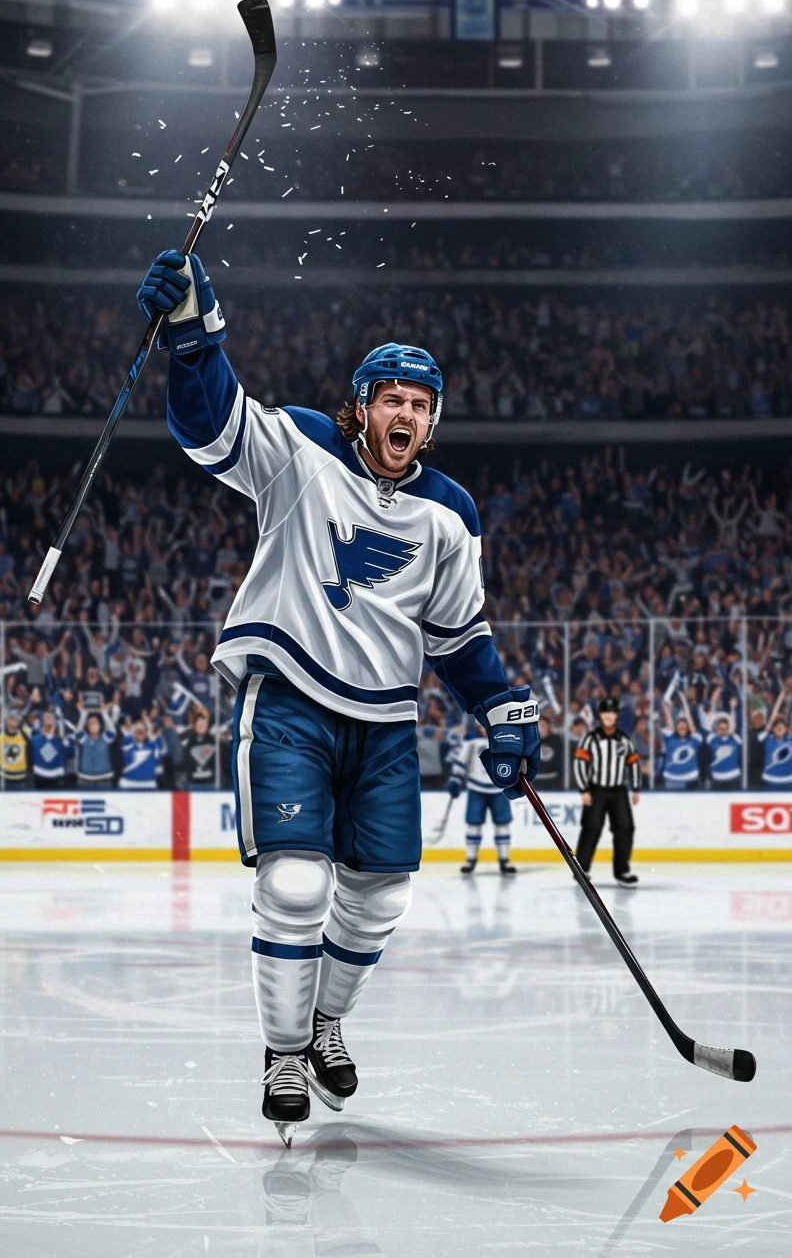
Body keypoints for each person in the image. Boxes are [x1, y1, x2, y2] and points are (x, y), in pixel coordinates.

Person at [137, 248, 540, 1145]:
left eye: (422, 404)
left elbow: (458, 636)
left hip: (388, 722)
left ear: (432, 424)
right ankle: (283, 1052)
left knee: (383, 895)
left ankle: (324, 1024)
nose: (407, 413)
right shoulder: (305, 450)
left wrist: (501, 708)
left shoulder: (451, 513)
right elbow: (214, 431)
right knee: (291, 882)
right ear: (361, 406)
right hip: (291, 701)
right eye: (392, 397)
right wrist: (194, 336)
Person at [573, 696, 641, 887]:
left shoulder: (624, 740)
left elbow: (633, 763)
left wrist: (635, 788)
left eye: (612, 713)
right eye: (605, 713)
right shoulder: (590, 739)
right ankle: (581, 871)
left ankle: (622, 872)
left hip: (619, 791)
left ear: (617, 715)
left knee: (625, 829)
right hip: (597, 790)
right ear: (600, 715)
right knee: (591, 828)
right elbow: (579, 764)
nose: (609, 716)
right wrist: (584, 789)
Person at [447, 720, 516, 876]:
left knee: (502, 824)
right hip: (476, 788)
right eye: (480, 726)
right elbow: (462, 759)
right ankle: (471, 859)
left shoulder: (504, 737)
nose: (483, 729)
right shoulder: (471, 739)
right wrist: (455, 779)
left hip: (499, 789)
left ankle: (504, 859)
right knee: (473, 824)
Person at [660, 693, 703, 791]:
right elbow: (669, 722)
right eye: (679, 724)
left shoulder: (694, 740)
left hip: (691, 778)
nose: (682, 726)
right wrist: (667, 710)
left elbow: (691, 724)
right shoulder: (670, 738)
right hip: (672, 779)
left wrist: (685, 703)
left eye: (684, 724)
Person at [29, 703, 74, 789]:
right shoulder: (35, 739)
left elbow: (70, 753)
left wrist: (63, 738)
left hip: (57, 776)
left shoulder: (61, 739)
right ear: (42, 720)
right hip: (39, 775)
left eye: (51, 718)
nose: (49, 720)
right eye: (46, 717)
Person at [119, 716, 167, 791]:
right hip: (129, 783)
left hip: (148, 783)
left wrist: (149, 726)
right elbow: (130, 734)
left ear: (146, 733)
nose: (140, 732)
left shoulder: (152, 745)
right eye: (138, 730)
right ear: (134, 732)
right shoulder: (128, 744)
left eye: (142, 730)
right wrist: (139, 726)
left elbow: (161, 754)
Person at [75, 709, 117, 790]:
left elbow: (112, 731)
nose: (94, 725)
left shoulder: (105, 738)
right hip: (85, 778)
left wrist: (104, 713)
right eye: (91, 723)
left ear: (100, 726)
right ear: (87, 726)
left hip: (104, 777)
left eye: (96, 723)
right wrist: (84, 714)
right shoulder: (84, 738)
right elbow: (78, 731)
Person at [759, 691, 792, 788]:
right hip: (770, 780)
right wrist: (781, 695)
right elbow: (772, 718)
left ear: (786, 729)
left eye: (782, 726)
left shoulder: (789, 740)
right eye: (777, 726)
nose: (779, 728)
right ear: (772, 729)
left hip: (788, 781)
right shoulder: (767, 739)